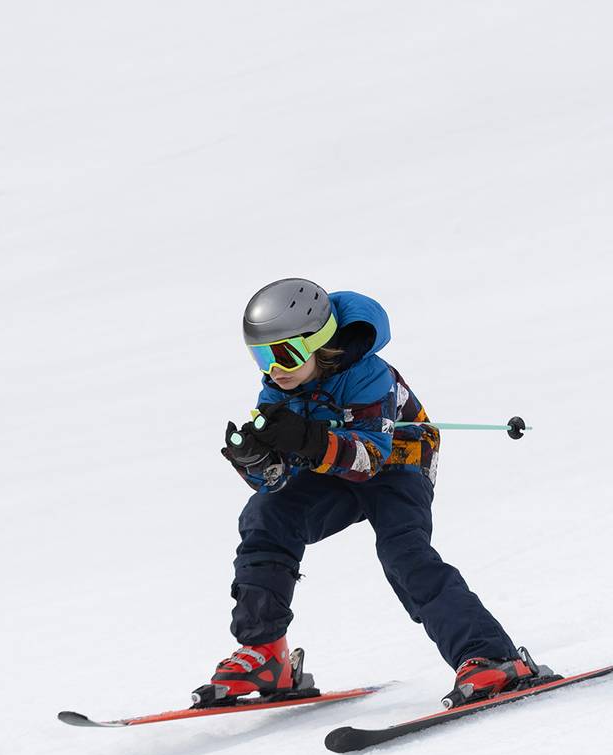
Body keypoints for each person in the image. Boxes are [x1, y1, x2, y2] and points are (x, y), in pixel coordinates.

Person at [197, 278, 538, 709]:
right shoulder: (275, 393)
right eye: (261, 356)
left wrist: (306, 440)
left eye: (285, 353)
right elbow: (279, 483)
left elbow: (368, 462)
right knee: (266, 517)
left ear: (318, 343)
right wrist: (258, 464)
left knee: (403, 553)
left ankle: (491, 655)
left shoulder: (368, 375)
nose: (274, 368)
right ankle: (266, 653)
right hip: (330, 470)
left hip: (399, 465)